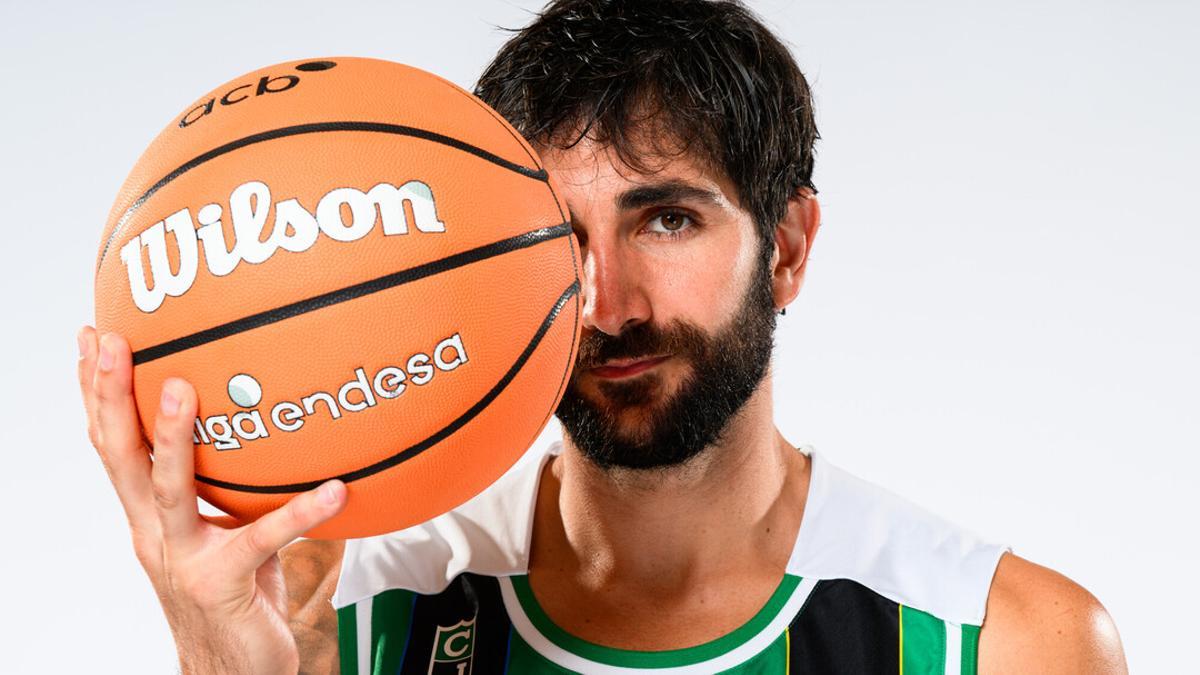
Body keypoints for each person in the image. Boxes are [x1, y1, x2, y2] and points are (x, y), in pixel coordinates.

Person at [77, 0, 1128, 672]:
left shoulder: (999, 642)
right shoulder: (340, 615)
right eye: (558, 238)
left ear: (791, 248)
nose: (607, 301)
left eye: (667, 218)